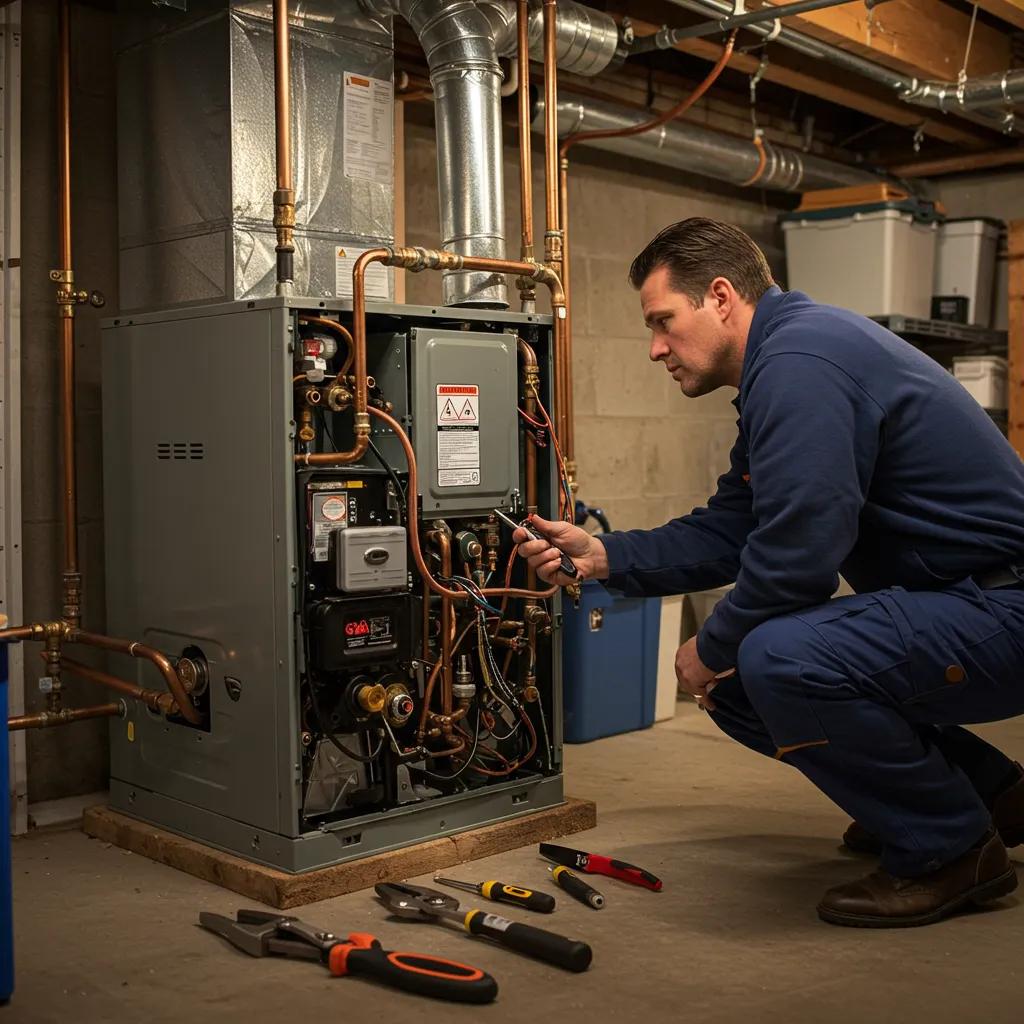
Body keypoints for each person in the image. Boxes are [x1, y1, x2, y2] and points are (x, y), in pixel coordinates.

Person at [514, 217, 1024, 928]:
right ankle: (988, 794)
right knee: (755, 672)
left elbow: (798, 554)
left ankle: (953, 849)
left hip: (1003, 610)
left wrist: (709, 647)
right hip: (968, 602)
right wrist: (606, 556)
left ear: (720, 297)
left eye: (663, 321)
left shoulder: (801, 363)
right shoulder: (788, 360)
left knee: (773, 660)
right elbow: (736, 526)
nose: (655, 348)